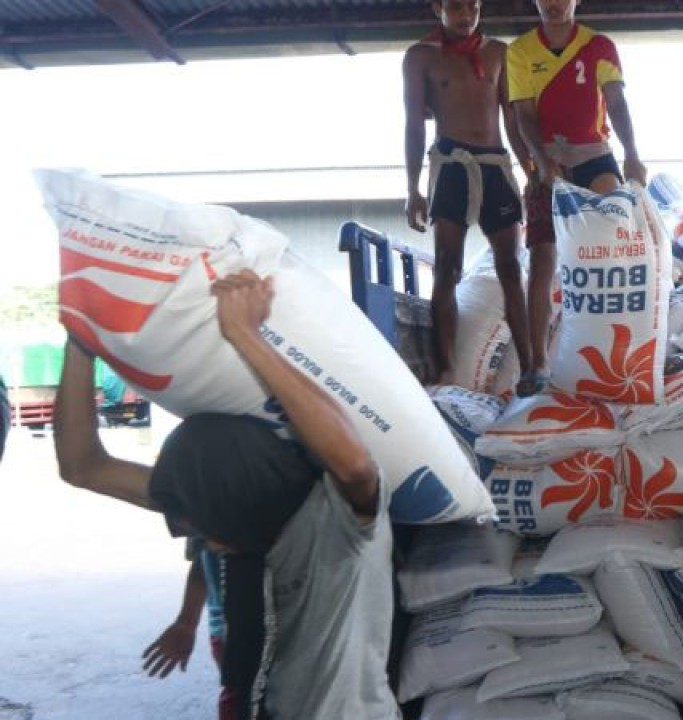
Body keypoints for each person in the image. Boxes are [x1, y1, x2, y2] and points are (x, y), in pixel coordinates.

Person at [54, 269, 399, 720]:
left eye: (207, 530)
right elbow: (85, 468)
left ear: (236, 500)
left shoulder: (340, 529)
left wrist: (245, 334)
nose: (209, 546)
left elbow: (355, 464)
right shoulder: (233, 513)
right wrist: (81, 342)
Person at [506, 0, 648, 396]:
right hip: (546, 157)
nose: (554, 4)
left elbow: (617, 102)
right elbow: (524, 116)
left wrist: (632, 154)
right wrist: (541, 163)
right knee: (543, 258)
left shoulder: (598, 45)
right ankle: (537, 363)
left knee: (620, 244)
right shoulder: (520, 51)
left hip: (594, 154)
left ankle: (636, 350)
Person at [403, 0, 534, 388]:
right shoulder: (420, 57)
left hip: (495, 165)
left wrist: (530, 173)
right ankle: (446, 369)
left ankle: (529, 367)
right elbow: (413, 123)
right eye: (458, 7)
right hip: (451, 165)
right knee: (447, 267)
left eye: (474, 7)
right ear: (438, 8)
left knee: (510, 267)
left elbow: (512, 118)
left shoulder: (498, 52)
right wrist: (412, 188)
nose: (467, 15)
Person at [143, 541, 234, 720]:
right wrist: (187, 621)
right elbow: (203, 557)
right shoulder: (204, 516)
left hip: (280, 624)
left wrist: (187, 621)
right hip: (226, 630)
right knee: (239, 696)